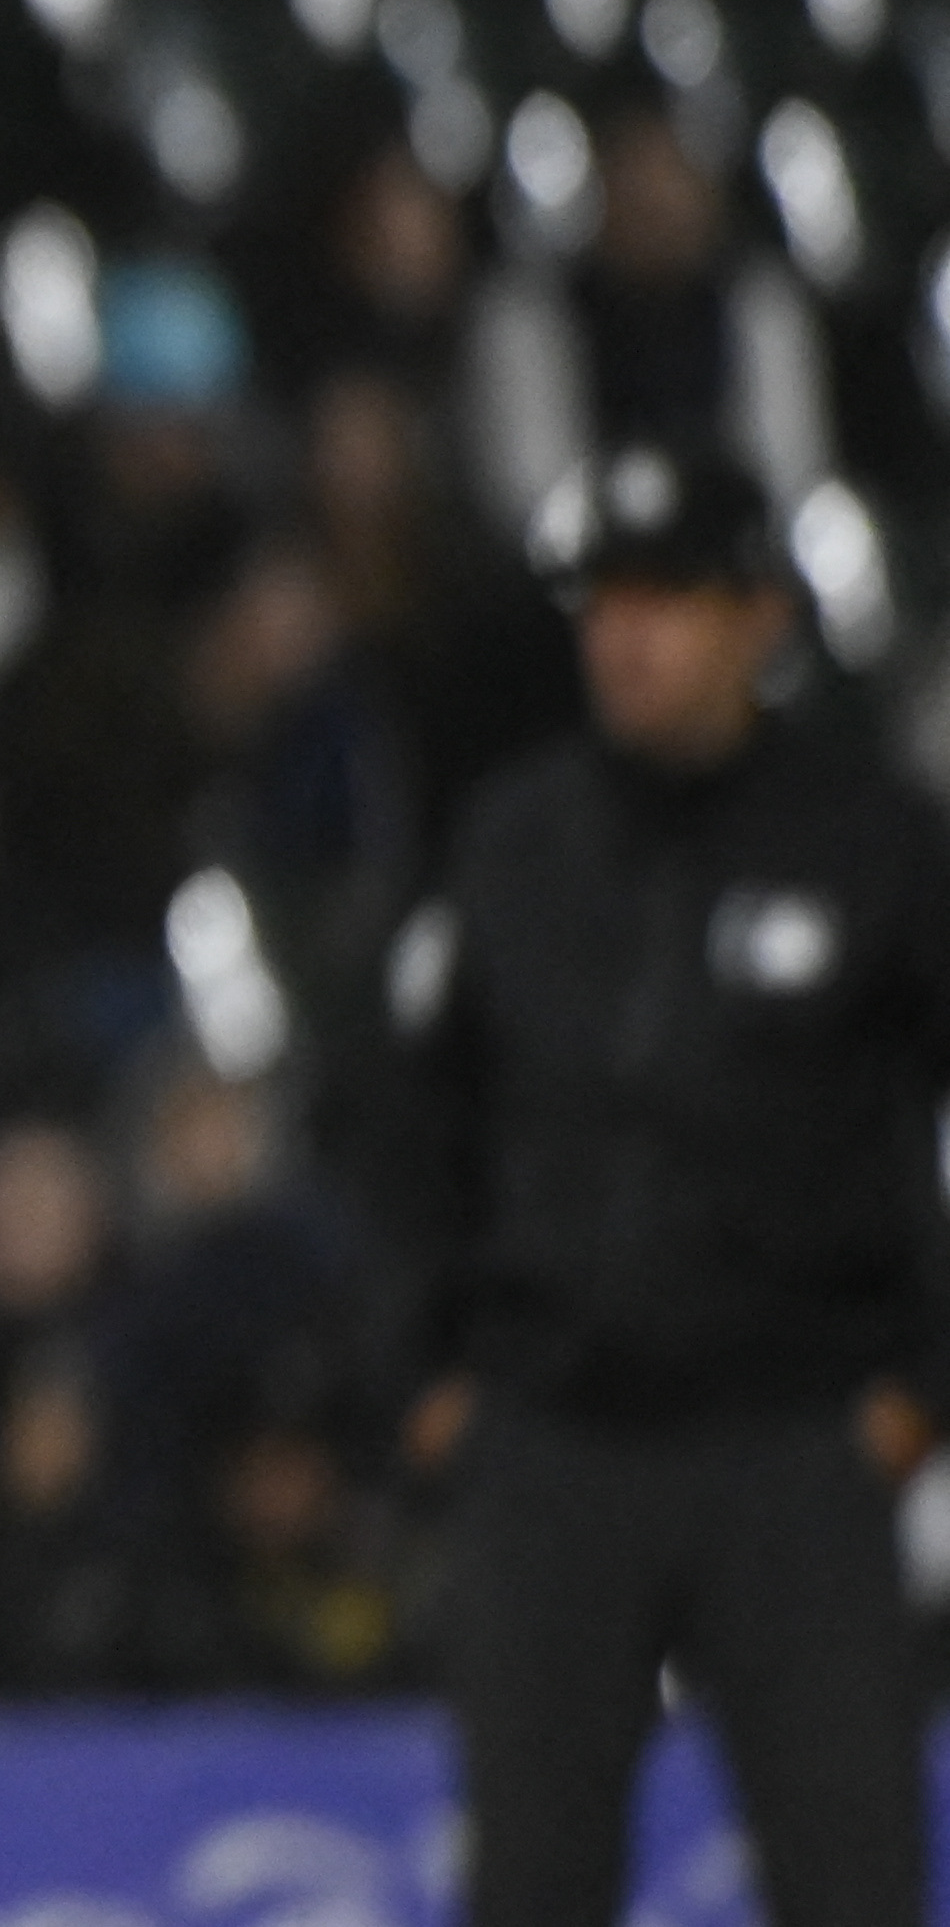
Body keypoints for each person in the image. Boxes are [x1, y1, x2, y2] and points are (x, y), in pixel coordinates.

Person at [392, 441, 949, 1927]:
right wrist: (432, 1360)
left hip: (790, 1437)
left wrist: (920, 1384)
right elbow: (414, 1119)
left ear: (759, 618)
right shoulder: (514, 841)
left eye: (668, 598)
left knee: (849, 1880)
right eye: (602, 601)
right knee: (528, 1884)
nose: (622, 635)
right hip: (551, 1437)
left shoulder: (869, 841)